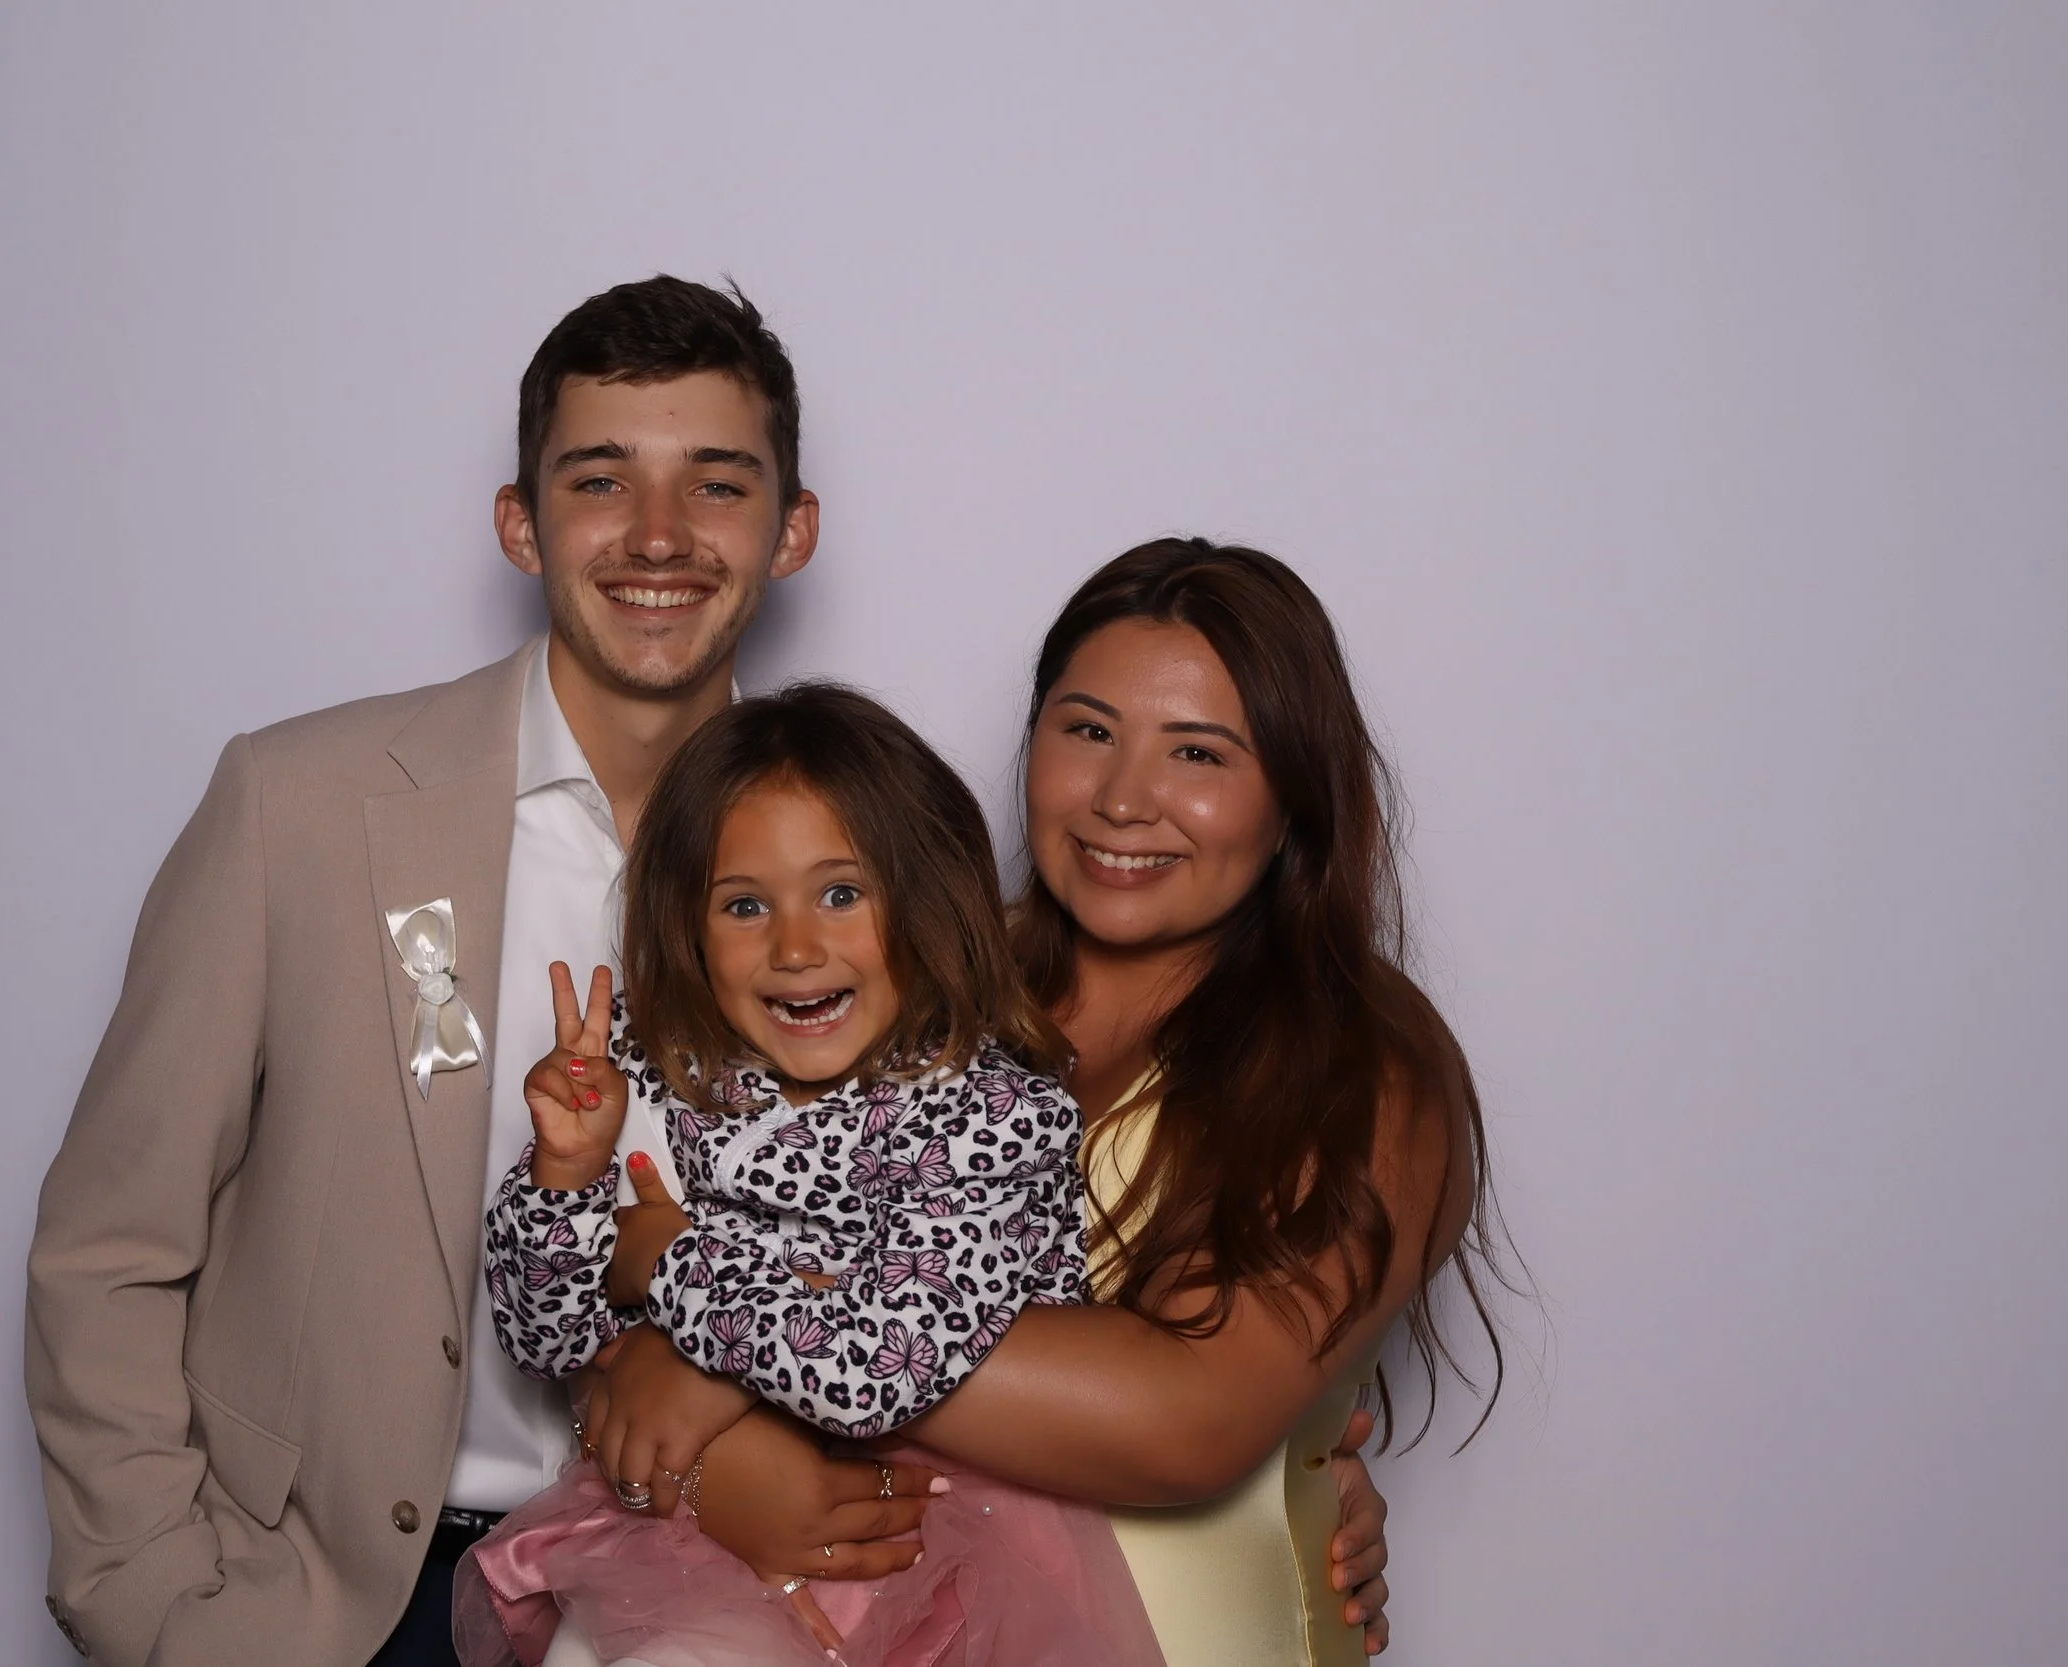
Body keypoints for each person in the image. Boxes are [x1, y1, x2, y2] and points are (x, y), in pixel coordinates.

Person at [22, 279, 1398, 1667]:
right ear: (520, 521)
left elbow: (1012, 1299)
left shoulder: (873, 894)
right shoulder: (301, 806)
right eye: (599, 478)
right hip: (330, 1608)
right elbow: (114, 1240)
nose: (659, 535)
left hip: (721, 1589)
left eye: (718, 484)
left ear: (792, 530)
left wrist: (1288, 1464)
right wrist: (153, 1601)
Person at [582, 538, 1503, 1664]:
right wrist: (711, 1450)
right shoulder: (896, 976)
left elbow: (1182, 1419)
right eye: (1088, 731)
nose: (1122, 798)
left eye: (1198, 753)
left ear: (1294, 796)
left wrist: (710, 1332)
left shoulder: (1359, 1065)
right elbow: (624, 1252)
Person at [461, 684, 1162, 1665]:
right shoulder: (671, 1075)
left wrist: (663, 1260)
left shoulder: (990, 1117)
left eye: (841, 893)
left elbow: (870, 1373)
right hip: (697, 1522)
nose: (794, 947)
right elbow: (544, 1339)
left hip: (917, 1534)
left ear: (921, 898)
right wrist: (568, 1176)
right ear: (689, 928)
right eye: (745, 905)